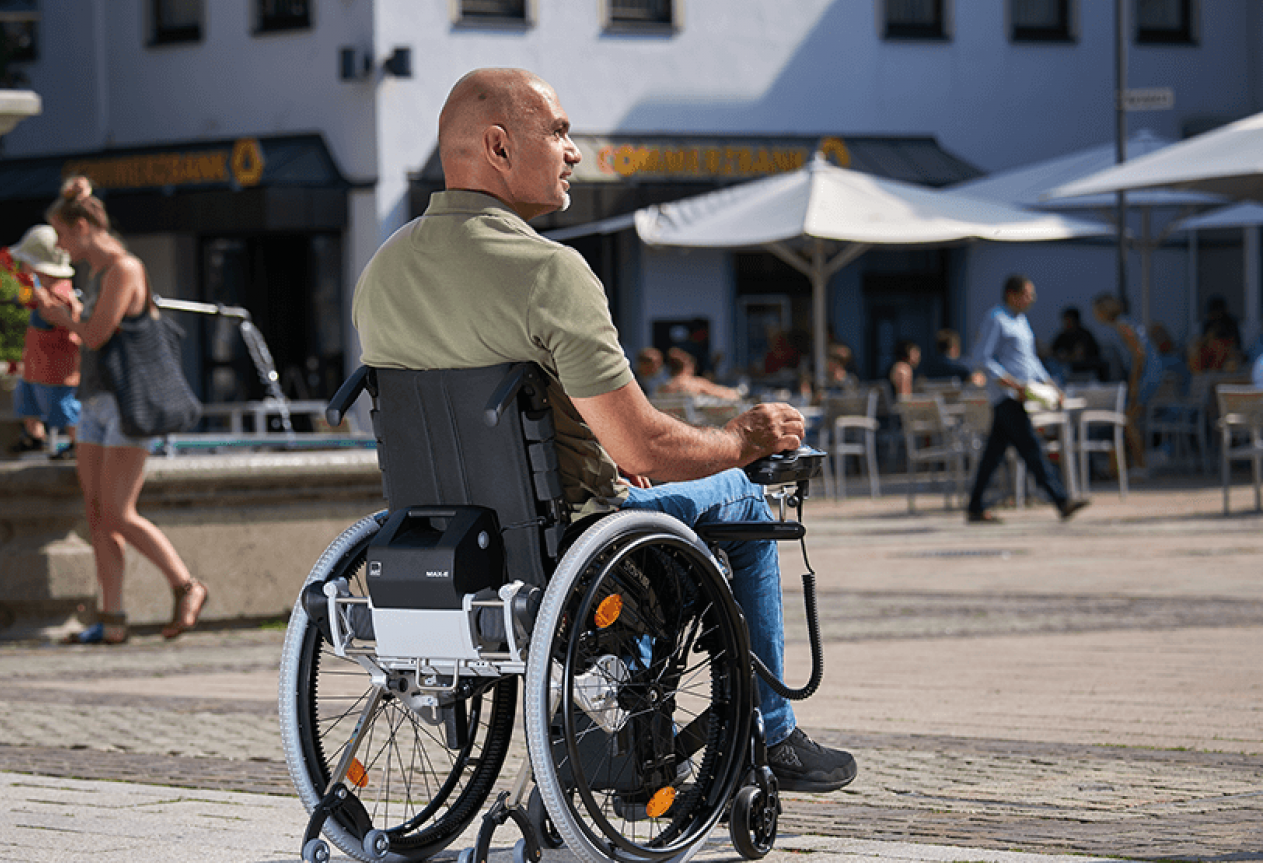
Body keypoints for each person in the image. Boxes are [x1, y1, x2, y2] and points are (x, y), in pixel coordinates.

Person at [352, 68, 855, 793]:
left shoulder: (382, 270)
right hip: (570, 547)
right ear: (497, 146)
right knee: (740, 499)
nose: (573, 151)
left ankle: (614, 726)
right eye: (556, 132)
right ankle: (770, 735)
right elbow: (642, 446)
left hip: (450, 550)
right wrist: (742, 439)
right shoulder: (548, 272)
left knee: (640, 497)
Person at [41, 176, 208, 645]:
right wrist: (72, 311)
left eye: (61, 234)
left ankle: (187, 585)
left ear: (82, 228)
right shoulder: (96, 275)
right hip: (94, 403)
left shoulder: (123, 269)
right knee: (97, 513)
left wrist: (63, 318)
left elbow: (95, 335)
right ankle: (111, 620)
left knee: (118, 511)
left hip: (127, 406)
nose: (59, 245)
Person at [964, 275, 1089, 524]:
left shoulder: (1021, 321)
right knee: (1031, 449)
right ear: (1012, 294)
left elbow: (1030, 361)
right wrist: (1013, 383)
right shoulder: (996, 319)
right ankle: (1061, 500)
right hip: (1007, 395)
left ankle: (975, 506)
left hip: (1021, 395)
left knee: (993, 455)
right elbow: (982, 358)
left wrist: (1051, 385)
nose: (1032, 299)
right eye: (1027, 294)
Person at [8, 225, 81, 458]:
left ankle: (78, 443)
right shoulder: (39, 287)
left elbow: (58, 316)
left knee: (63, 407)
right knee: (25, 399)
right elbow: (26, 301)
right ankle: (35, 436)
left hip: (56, 369)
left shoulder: (59, 292)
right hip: (35, 364)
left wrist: (40, 297)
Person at [1091, 293, 1150, 473]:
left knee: (1129, 420)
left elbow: (1139, 354)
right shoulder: (1123, 323)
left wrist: (1134, 383)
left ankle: (1141, 466)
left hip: (1144, 376)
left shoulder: (1122, 325)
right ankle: (1128, 466)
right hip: (1142, 375)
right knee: (1127, 420)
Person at [658, 346, 744, 401]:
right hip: (692, 426)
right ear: (689, 366)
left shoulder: (663, 387)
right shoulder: (694, 383)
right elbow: (730, 396)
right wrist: (739, 391)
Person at [1189, 296, 1244, 373]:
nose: (1215, 314)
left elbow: (1236, 344)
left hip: (1226, 355)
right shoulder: (1208, 323)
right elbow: (1204, 342)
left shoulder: (1231, 322)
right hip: (1211, 356)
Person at [1049, 306, 1102, 380]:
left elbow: (1080, 356)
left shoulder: (1084, 335)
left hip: (1087, 372)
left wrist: (1066, 356)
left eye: (1068, 320)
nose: (1066, 323)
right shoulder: (1063, 335)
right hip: (1068, 372)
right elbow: (1052, 351)